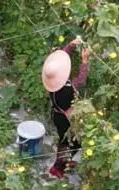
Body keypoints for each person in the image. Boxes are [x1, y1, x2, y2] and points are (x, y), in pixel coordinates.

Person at [42, 37, 91, 179]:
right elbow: (81, 80)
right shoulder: (67, 89)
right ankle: (59, 168)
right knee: (74, 142)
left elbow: (59, 60)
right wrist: (85, 61)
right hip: (66, 119)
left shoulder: (49, 78)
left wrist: (71, 45)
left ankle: (61, 164)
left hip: (57, 115)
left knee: (63, 140)